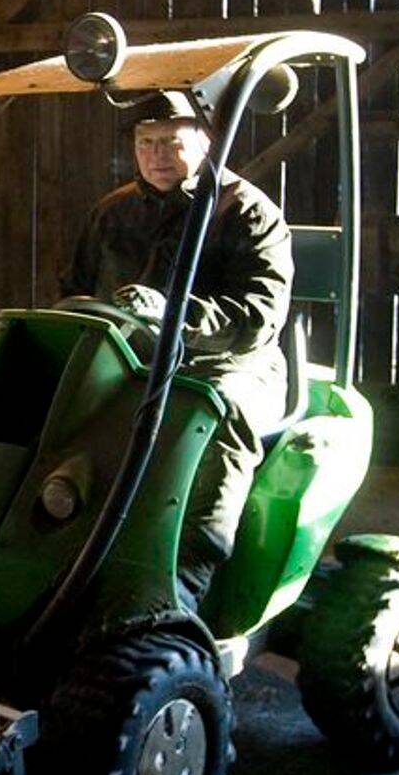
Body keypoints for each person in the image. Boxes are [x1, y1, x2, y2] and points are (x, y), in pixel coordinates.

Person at [59, 90, 294, 609]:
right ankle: (58, 547)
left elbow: (257, 319)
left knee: (217, 414)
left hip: (224, 362)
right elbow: (74, 287)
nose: (157, 155)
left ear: (205, 141)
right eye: (146, 143)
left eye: (171, 141)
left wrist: (174, 315)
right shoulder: (113, 212)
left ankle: (186, 580)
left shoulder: (247, 212)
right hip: (131, 357)